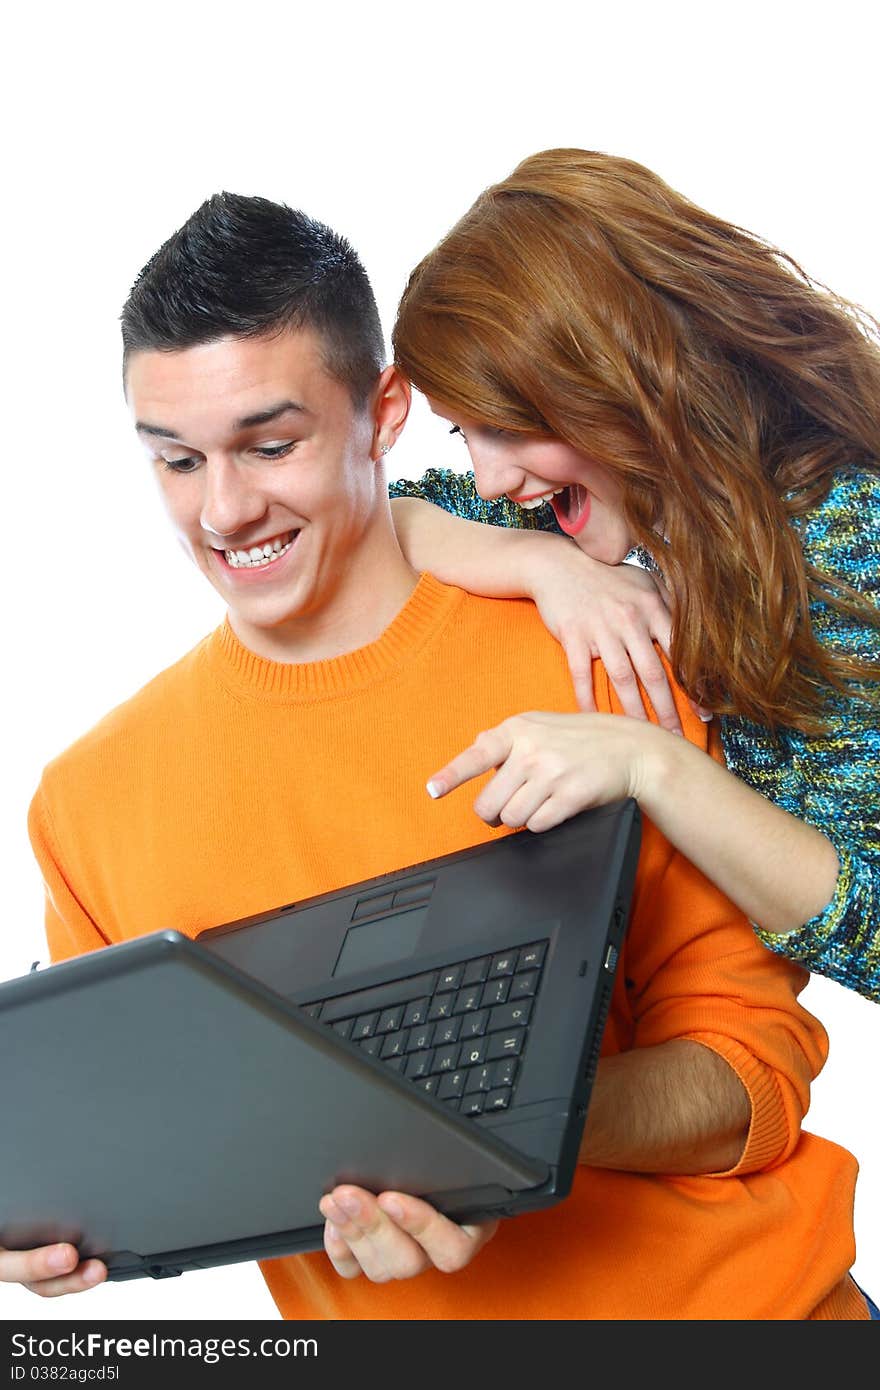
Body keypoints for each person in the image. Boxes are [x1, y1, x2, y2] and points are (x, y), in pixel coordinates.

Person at [2, 193, 871, 1319]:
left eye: (271, 445)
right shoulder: (88, 805)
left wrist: (483, 1127)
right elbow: (127, 1146)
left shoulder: (614, 660)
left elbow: (753, 1081)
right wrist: (61, 1215)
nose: (224, 509)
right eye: (176, 459)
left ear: (382, 413)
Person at [388, 147, 880, 1003]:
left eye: (508, 427)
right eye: (464, 434)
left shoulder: (844, 540)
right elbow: (382, 519)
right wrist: (541, 565)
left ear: (618, 383)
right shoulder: (579, 503)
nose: (495, 481)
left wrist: (654, 768)